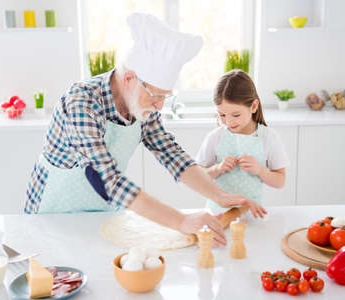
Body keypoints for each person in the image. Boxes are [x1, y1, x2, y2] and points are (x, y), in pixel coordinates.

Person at [25, 14, 266, 247]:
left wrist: (218, 195)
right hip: (53, 215)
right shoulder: (82, 101)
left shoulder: (140, 104)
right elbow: (107, 181)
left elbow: (171, 153)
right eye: (156, 95)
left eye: (165, 97)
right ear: (129, 79)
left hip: (103, 212)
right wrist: (181, 220)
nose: (160, 105)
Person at [196, 70, 290, 215]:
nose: (228, 121)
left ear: (253, 106)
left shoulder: (268, 137)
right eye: (222, 115)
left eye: (236, 115)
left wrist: (260, 171)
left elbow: (280, 181)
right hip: (216, 214)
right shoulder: (215, 137)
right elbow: (198, 177)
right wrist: (217, 169)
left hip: (251, 214)